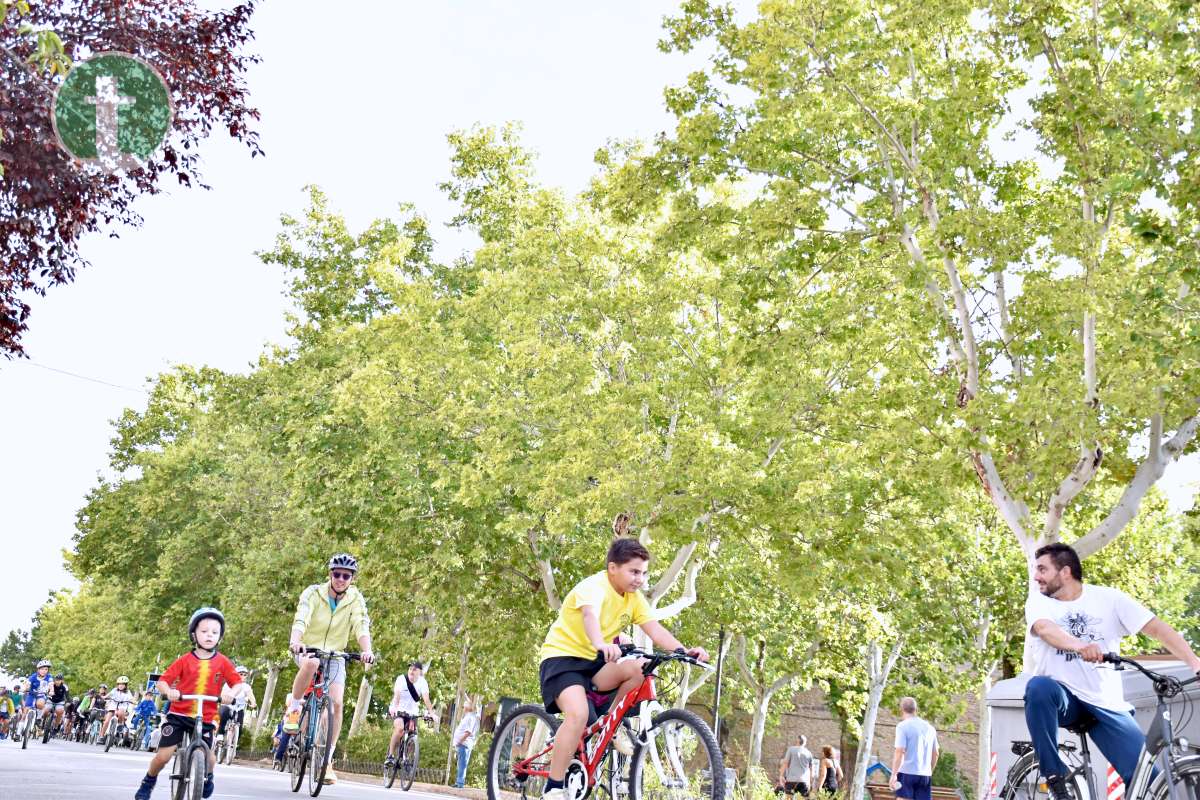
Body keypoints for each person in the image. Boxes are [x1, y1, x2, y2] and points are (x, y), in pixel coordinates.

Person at [537, 532, 710, 800]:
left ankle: (608, 725)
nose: (639, 579)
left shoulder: (634, 599)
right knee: (578, 714)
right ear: (613, 568)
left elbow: (655, 630)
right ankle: (554, 787)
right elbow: (590, 616)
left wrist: (684, 651)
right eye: (634, 572)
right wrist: (601, 643)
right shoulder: (594, 587)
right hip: (562, 660)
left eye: (643, 573)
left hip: (596, 664)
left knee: (639, 668)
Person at [1024, 542, 1200, 800]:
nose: (1036, 576)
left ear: (1065, 571)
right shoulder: (1039, 602)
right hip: (1065, 700)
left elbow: (1157, 629)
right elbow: (1045, 630)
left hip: (1106, 703)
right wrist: (1081, 646)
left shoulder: (1109, 599)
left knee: (1148, 782)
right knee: (1038, 688)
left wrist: (1194, 662)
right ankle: (1054, 776)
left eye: (1042, 569)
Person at [133, 607, 251, 800]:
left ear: (220, 637)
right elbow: (163, 681)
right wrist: (169, 692)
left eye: (214, 632)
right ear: (194, 634)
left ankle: (208, 776)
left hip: (206, 715)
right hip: (179, 714)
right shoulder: (184, 661)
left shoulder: (223, 662)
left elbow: (237, 683)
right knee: (163, 756)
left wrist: (231, 693)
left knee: (209, 757)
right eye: (204, 631)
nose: (209, 636)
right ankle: (148, 781)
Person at [284, 553, 375, 786]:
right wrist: (296, 640)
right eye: (337, 574)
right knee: (312, 663)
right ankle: (294, 707)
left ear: (352, 578)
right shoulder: (313, 592)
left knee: (336, 702)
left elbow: (361, 625)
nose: (341, 579)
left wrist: (367, 650)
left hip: (336, 654)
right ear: (330, 574)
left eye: (346, 575)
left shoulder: (355, 598)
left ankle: (328, 759)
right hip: (309, 649)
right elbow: (301, 618)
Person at [385, 661, 435, 768]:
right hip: (399, 709)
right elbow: (397, 694)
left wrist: (432, 714)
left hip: (413, 712)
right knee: (399, 729)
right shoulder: (401, 679)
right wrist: (395, 707)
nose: (411, 671)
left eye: (414, 669)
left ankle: (407, 758)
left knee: (413, 735)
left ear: (420, 672)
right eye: (410, 669)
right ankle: (390, 755)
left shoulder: (423, 682)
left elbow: (426, 699)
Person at [890, 697, 938, 800]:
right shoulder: (930, 728)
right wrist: (929, 771)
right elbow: (935, 753)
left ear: (901, 710)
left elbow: (900, 752)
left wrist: (894, 775)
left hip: (907, 772)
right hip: (925, 774)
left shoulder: (902, 726)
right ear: (916, 710)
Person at [216, 665, 257, 747]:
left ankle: (232, 744)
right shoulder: (228, 684)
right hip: (228, 706)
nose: (243, 676)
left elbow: (251, 696)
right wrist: (226, 699)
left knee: (240, 727)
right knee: (224, 715)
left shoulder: (246, 687)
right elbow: (223, 694)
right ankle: (220, 736)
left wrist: (253, 703)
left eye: (245, 674)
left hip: (239, 708)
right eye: (241, 674)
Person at [452, 696, 480, 788]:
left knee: (462, 764)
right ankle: (459, 782)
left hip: (464, 744)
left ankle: (460, 783)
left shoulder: (470, 717)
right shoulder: (468, 716)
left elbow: (468, 732)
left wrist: (460, 741)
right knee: (460, 764)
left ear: (468, 707)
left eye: (464, 705)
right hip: (462, 744)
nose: (463, 707)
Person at [779, 734, 815, 799]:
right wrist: (810, 782)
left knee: (789, 798)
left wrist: (781, 775)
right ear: (805, 742)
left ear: (797, 741)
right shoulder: (809, 753)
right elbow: (811, 769)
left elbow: (785, 763)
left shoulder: (791, 749)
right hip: (804, 781)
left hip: (791, 780)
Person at [102, 676, 135, 740]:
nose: (121, 686)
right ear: (117, 685)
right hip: (112, 707)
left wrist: (134, 701)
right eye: (119, 684)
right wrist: (104, 697)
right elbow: (108, 695)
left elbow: (131, 698)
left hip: (121, 708)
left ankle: (120, 724)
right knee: (106, 721)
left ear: (125, 685)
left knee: (121, 712)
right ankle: (101, 736)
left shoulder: (128, 692)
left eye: (123, 684)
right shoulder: (114, 690)